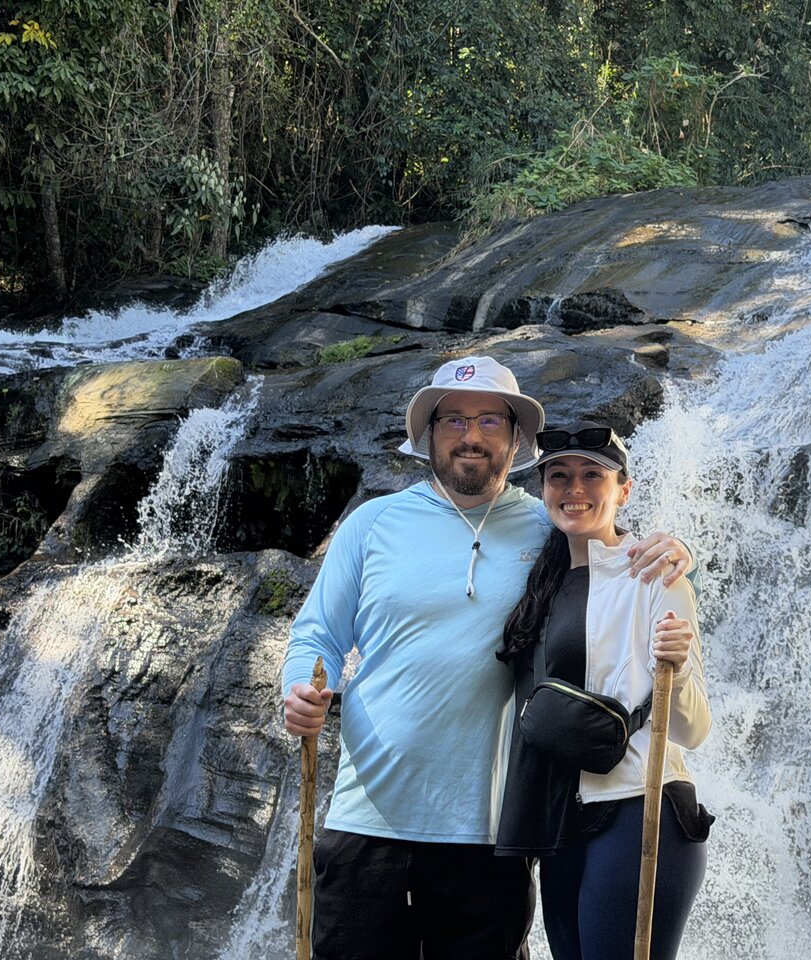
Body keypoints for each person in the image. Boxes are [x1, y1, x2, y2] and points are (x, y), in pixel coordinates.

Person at [280, 357, 693, 960]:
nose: (470, 435)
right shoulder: (371, 525)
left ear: (516, 437)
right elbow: (315, 636)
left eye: (489, 421)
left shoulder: (549, 528)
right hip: (367, 822)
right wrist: (299, 687)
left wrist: (677, 547)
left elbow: (615, 551)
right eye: (453, 419)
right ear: (428, 433)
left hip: (491, 835)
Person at [495, 420, 712, 960]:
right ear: (542, 489)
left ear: (624, 491)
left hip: (639, 809)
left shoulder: (655, 576)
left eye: (593, 475)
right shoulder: (538, 580)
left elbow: (693, 729)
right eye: (559, 476)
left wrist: (677, 668)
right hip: (560, 823)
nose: (575, 489)